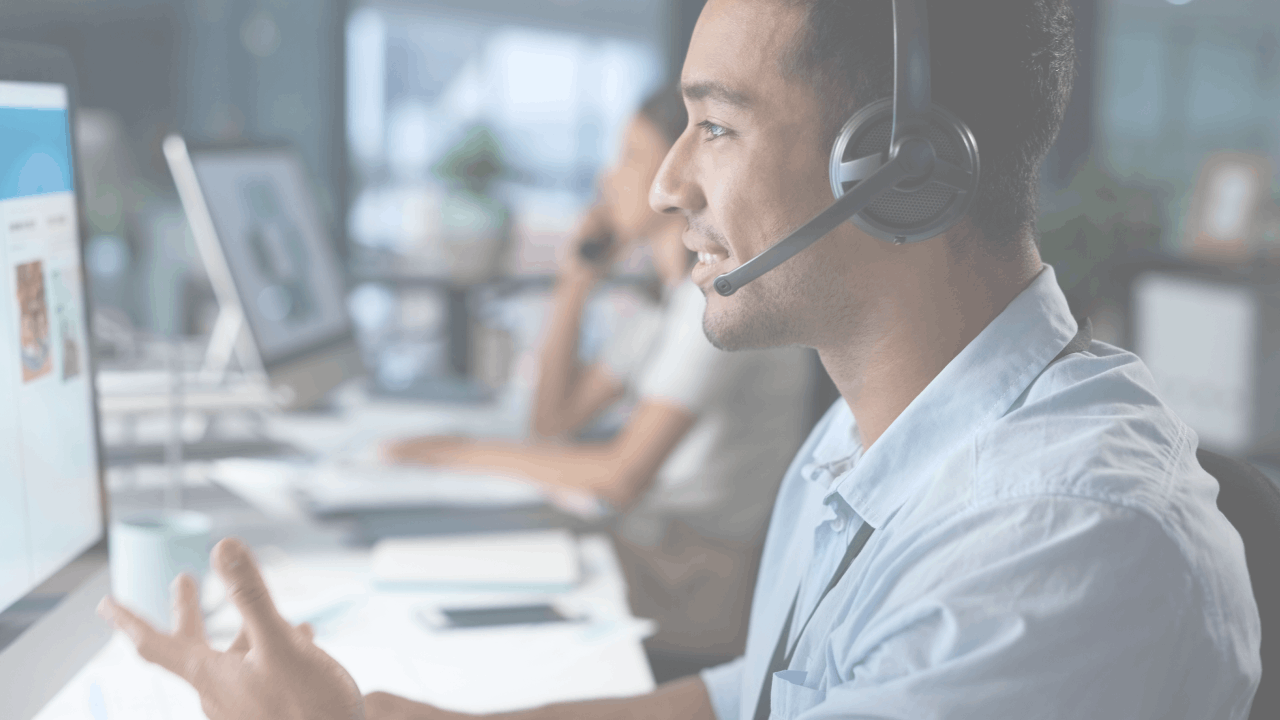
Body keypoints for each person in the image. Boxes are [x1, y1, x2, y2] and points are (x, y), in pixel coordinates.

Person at [97, 0, 1263, 718]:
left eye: (716, 127)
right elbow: (746, 700)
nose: (665, 188)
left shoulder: (1064, 548)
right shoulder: (871, 437)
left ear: (901, 170)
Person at [383, 87, 810, 670]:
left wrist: (452, 453)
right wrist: (576, 280)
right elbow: (553, 422)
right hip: (655, 559)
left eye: (632, 156)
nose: (611, 179)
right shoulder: (666, 306)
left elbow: (618, 478)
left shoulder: (717, 309)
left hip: (693, 593)